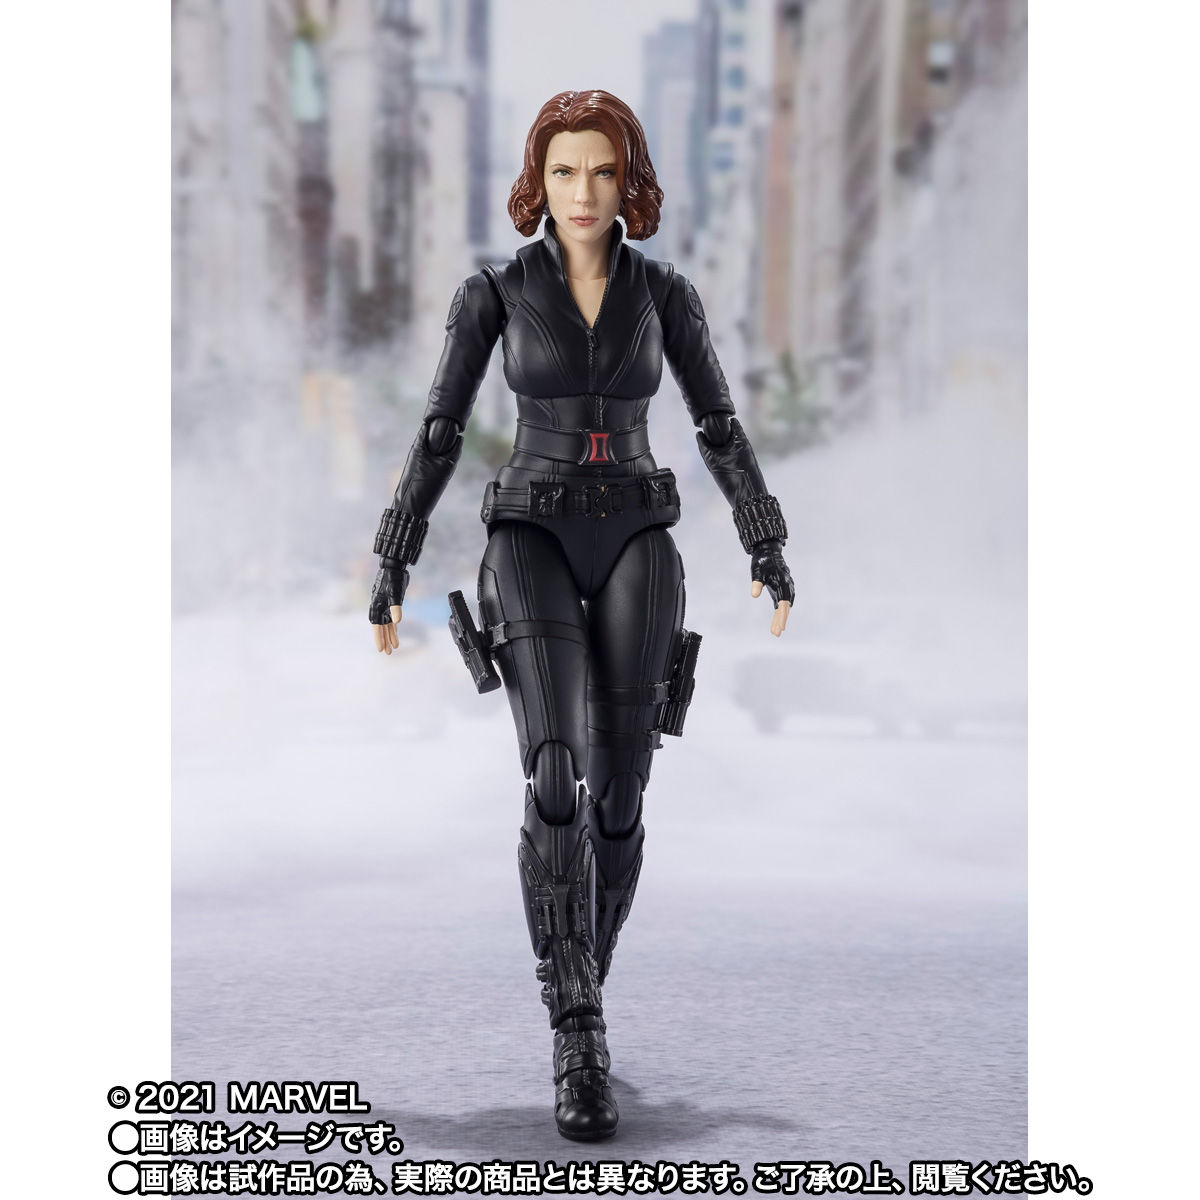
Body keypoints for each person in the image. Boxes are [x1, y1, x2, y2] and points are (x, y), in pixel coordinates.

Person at [368, 90, 794, 1141]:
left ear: (629, 179)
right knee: (554, 770)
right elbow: (439, 431)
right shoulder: (494, 294)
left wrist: (764, 538)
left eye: (603, 170)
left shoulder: (667, 294)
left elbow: (716, 422)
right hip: (531, 534)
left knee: (620, 792)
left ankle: (579, 972)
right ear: (538, 181)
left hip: (640, 532)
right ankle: (578, 1033)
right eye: (564, 171)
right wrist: (394, 554)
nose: (584, 191)